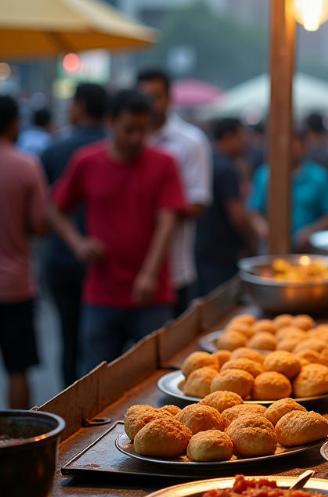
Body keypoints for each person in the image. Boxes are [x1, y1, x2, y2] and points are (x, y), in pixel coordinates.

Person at [50, 90, 185, 372]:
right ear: (110, 122)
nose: (137, 138)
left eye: (143, 130)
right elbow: (55, 208)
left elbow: (168, 220)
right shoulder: (86, 161)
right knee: (95, 378)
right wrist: (78, 244)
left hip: (152, 294)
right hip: (102, 293)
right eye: (129, 130)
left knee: (154, 376)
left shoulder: (165, 163)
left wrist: (149, 273)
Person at [40, 83, 108, 386]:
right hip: (106, 261)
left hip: (63, 259)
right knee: (103, 346)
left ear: (80, 106)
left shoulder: (54, 150)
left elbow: (46, 206)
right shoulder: (114, 149)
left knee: (69, 337)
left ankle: (69, 402)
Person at [137, 69, 211, 316]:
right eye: (143, 97)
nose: (150, 104)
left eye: (155, 97)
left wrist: (160, 211)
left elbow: (197, 203)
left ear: (169, 98)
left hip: (174, 268)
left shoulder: (190, 141)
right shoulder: (128, 140)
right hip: (125, 272)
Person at [0, 96, 48, 408]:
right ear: (15, 123)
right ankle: (17, 444)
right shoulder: (26, 165)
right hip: (15, 285)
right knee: (18, 369)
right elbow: (40, 224)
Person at [247, 129, 328, 251]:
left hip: (308, 250)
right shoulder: (264, 175)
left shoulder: (319, 176)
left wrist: (309, 232)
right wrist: (265, 230)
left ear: (304, 147)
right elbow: (254, 212)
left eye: (291, 144)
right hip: (272, 249)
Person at [195, 117, 254, 295]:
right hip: (222, 254)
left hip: (203, 248)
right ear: (229, 137)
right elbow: (237, 216)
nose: (246, 142)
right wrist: (251, 243)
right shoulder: (226, 169)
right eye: (242, 136)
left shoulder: (208, 161)